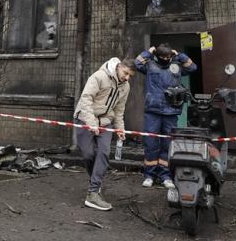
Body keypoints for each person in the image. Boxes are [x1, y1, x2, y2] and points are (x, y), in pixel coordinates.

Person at [74, 57, 136, 211]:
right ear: (119, 67)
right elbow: (85, 100)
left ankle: (93, 192)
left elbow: (119, 109)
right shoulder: (99, 77)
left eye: (130, 76)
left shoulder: (125, 86)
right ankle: (94, 181)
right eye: (126, 73)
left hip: (106, 122)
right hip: (85, 119)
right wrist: (91, 123)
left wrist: (120, 128)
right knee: (88, 154)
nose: (127, 78)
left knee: (104, 152)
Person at [135, 44, 197, 189]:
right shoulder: (149, 65)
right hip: (153, 111)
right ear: (157, 55)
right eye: (163, 57)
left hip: (171, 111)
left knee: (168, 144)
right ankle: (149, 175)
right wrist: (148, 52)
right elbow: (137, 63)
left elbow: (193, 67)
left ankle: (165, 175)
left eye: (168, 57)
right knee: (151, 143)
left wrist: (179, 54)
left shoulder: (176, 66)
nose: (166, 59)